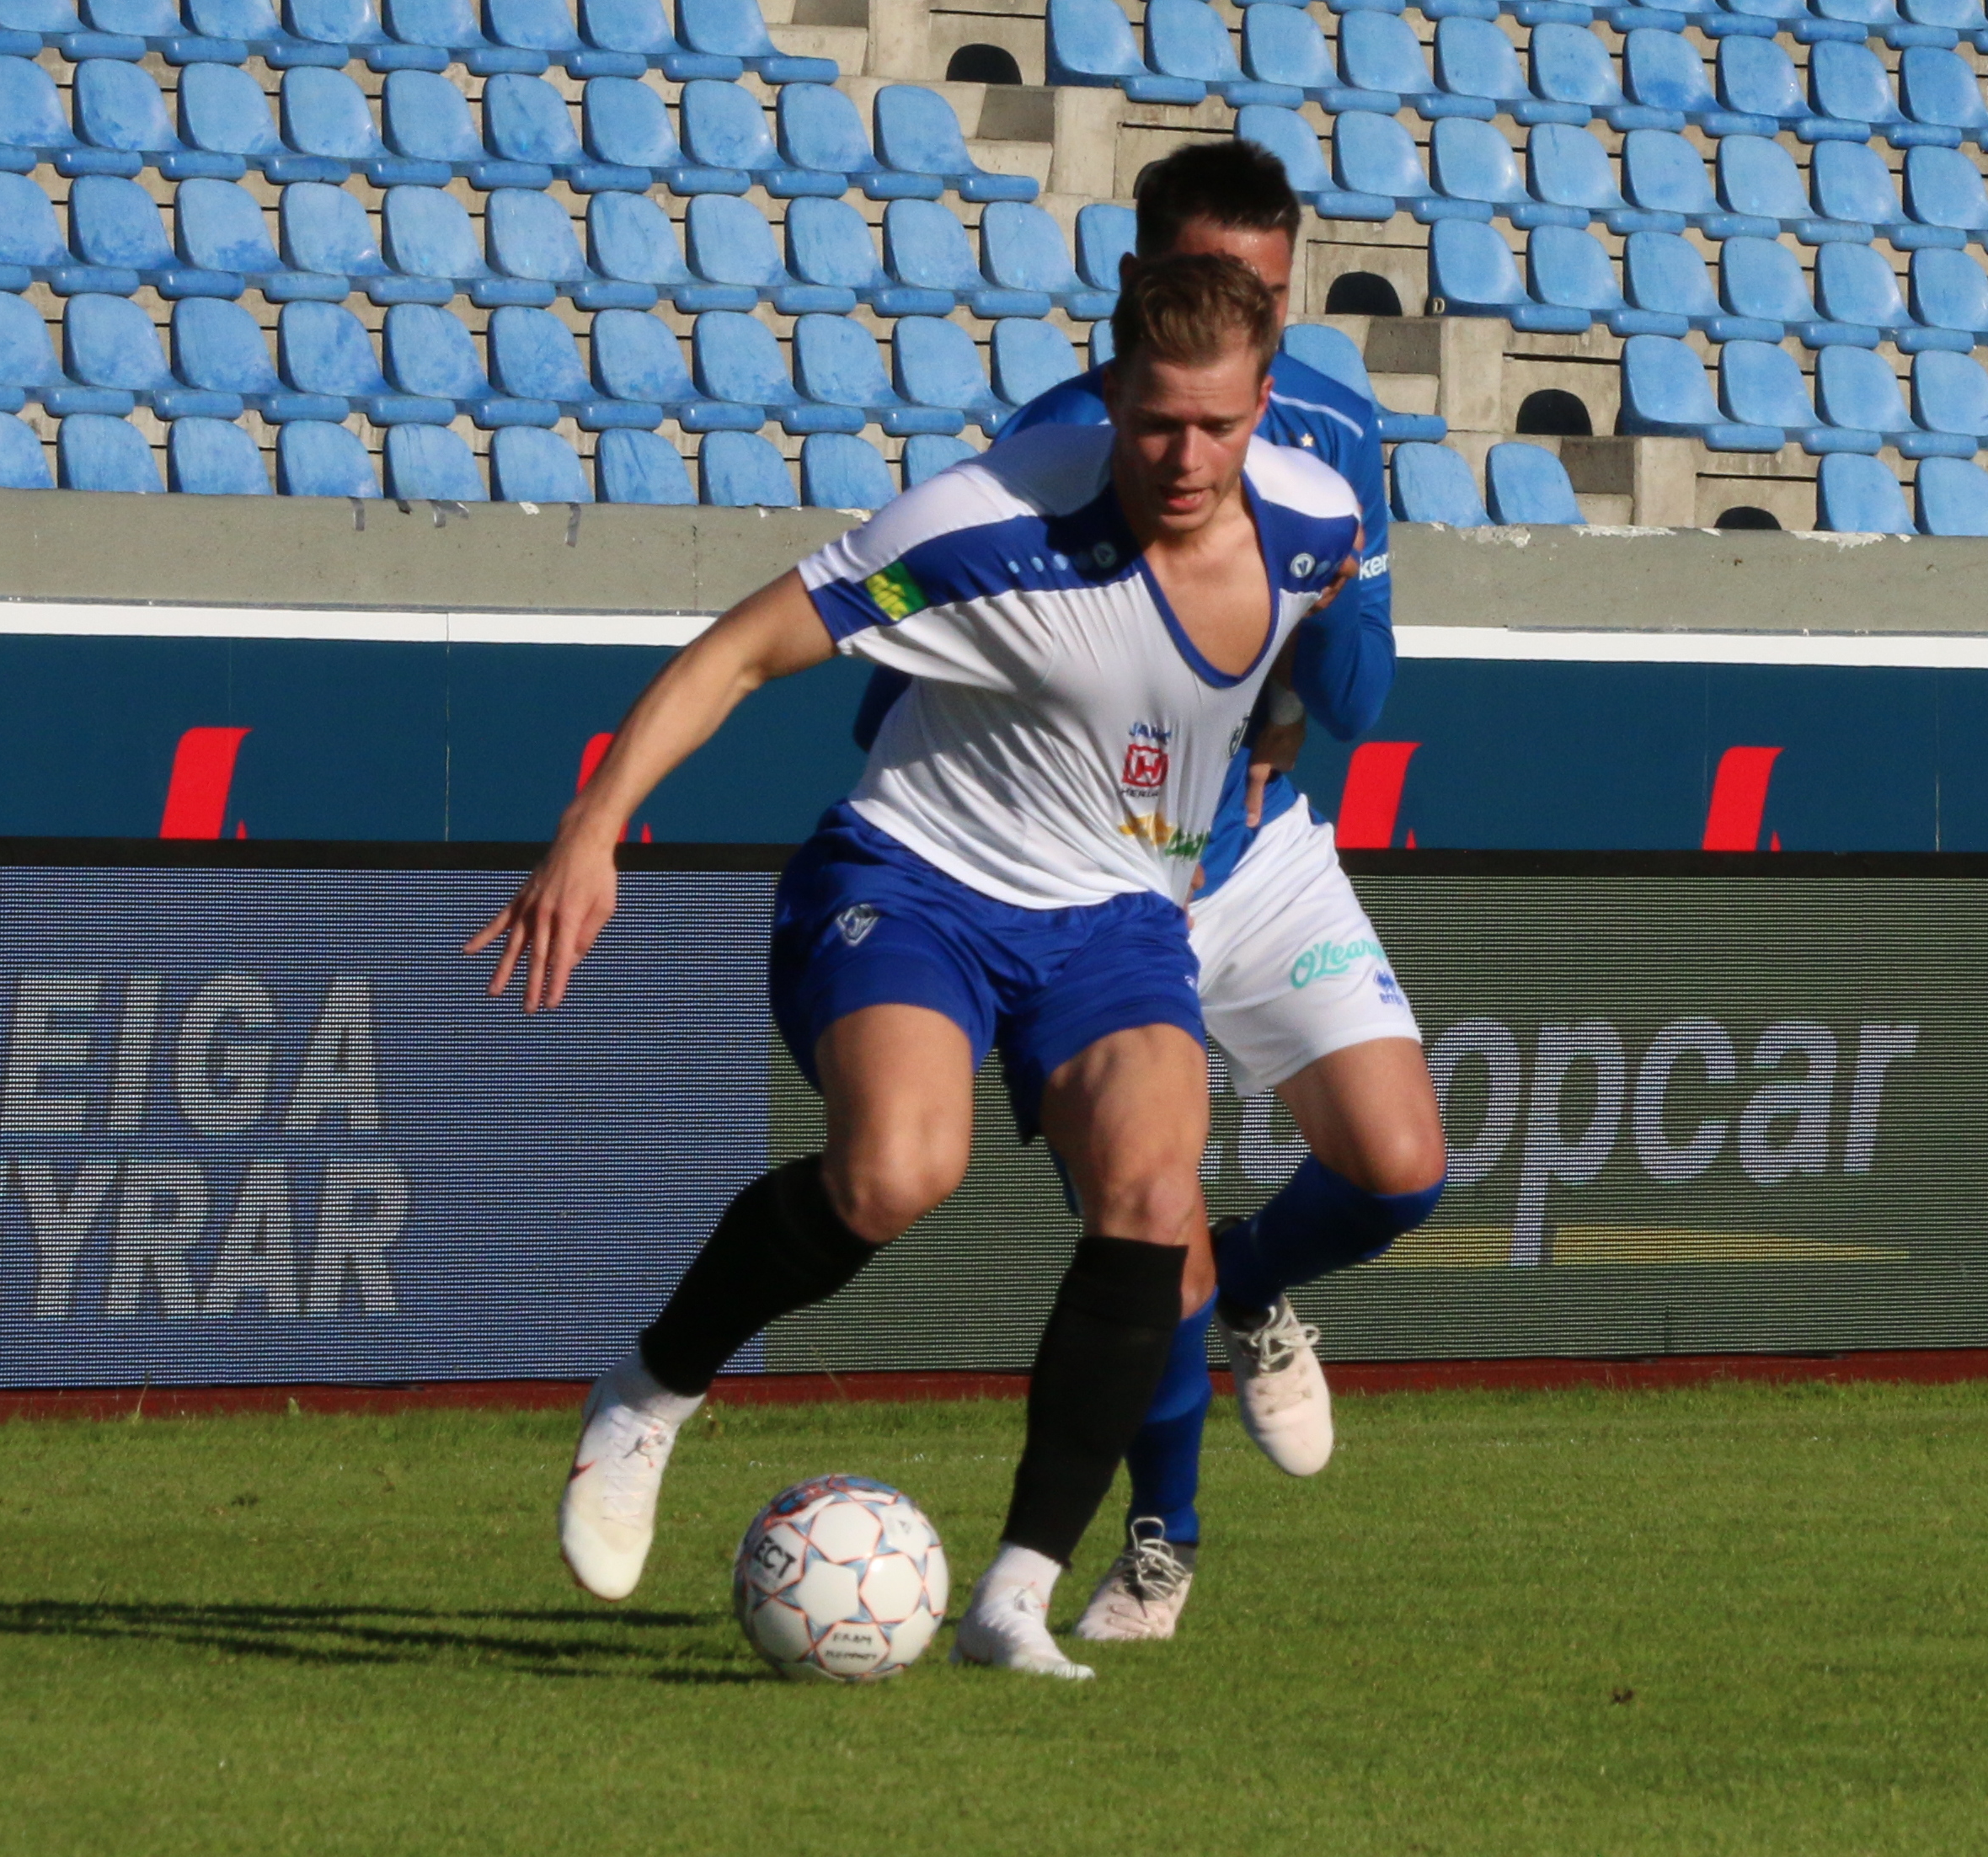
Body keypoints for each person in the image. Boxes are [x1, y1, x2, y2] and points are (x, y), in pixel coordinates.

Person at [468, 254, 1361, 1681]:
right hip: (913, 884)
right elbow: (740, 651)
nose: (1183, 458)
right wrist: (592, 827)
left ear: (1263, 406)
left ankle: (1014, 1598)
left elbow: (1284, 658)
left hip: (1115, 920)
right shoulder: (984, 521)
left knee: (1152, 1196)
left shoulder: (1318, 521)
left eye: (1215, 425)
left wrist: (1266, 745)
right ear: (1112, 393)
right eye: (1153, 423)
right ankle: (648, 1391)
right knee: (897, 1170)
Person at [852, 138, 1450, 1643]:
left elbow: (1358, 694)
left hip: (1255, 853)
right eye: (1201, 280)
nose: (1234, 313)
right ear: (1135, 288)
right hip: (1101, 886)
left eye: (1265, 293)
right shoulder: (1062, 440)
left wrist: (1311, 655)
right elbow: (911, 679)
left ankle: (1255, 1283)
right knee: (1146, 1240)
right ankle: (1158, 1542)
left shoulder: (1333, 431)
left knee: (1399, 1170)